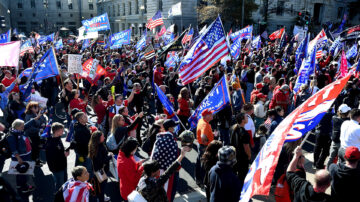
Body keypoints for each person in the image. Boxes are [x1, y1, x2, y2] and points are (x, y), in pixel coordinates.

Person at [151, 119, 180, 201]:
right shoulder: (171, 140)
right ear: (170, 128)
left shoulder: (159, 137)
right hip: (168, 172)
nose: (174, 128)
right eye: (173, 127)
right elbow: (176, 158)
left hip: (156, 170)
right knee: (167, 193)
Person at [6, 119, 35, 194]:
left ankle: (19, 185)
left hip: (25, 155)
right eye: (22, 126)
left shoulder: (18, 131)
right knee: (23, 172)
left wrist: (35, 118)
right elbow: (14, 149)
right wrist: (18, 158)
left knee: (19, 172)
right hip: (21, 157)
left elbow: (27, 125)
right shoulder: (11, 136)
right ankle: (24, 188)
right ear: (17, 127)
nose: (23, 127)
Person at [88, 131, 112, 202]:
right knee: (102, 187)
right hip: (101, 170)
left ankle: (100, 197)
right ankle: (101, 199)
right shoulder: (99, 148)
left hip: (96, 169)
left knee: (99, 186)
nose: (104, 137)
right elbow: (102, 160)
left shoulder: (94, 145)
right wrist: (109, 156)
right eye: (102, 136)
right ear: (98, 138)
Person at [229, 113, 250, 190]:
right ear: (242, 120)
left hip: (233, 155)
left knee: (234, 173)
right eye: (246, 117)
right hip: (242, 158)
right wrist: (249, 155)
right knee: (242, 176)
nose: (247, 118)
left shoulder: (232, 128)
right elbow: (246, 147)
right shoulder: (244, 133)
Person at [45, 122, 68, 192]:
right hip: (57, 168)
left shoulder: (58, 138)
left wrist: (65, 151)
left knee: (64, 182)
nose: (63, 131)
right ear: (56, 131)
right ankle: (58, 197)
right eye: (62, 130)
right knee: (59, 184)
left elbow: (60, 150)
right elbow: (52, 158)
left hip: (63, 165)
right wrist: (64, 154)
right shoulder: (50, 143)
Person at [24, 101, 47, 166]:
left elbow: (44, 119)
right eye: (35, 107)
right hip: (32, 135)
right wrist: (39, 129)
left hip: (38, 134)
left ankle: (37, 159)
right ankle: (35, 161)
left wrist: (43, 124)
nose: (37, 108)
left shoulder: (38, 113)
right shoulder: (28, 116)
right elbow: (29, 128)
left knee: (38, 147)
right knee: (34, 148)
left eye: (37, 106)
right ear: (31, 108)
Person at [327, 104, 350, 168]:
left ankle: (327, 170)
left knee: (331, 157)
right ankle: (336, 172)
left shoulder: (334, 118)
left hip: (334, 140)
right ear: (347, 113)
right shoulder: (347, 121)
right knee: (339, 159)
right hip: (341, 143)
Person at [195, 109, 214, 186]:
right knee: (204, 164)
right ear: (206, 116)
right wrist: (207, 145)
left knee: (199, 162)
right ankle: (203, 181)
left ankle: (198, 179)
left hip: (201, 145)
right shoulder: (205, 125)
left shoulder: (202, 120)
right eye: (210, 114)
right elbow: (203, 137)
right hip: (204, 146)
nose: (212, 115)